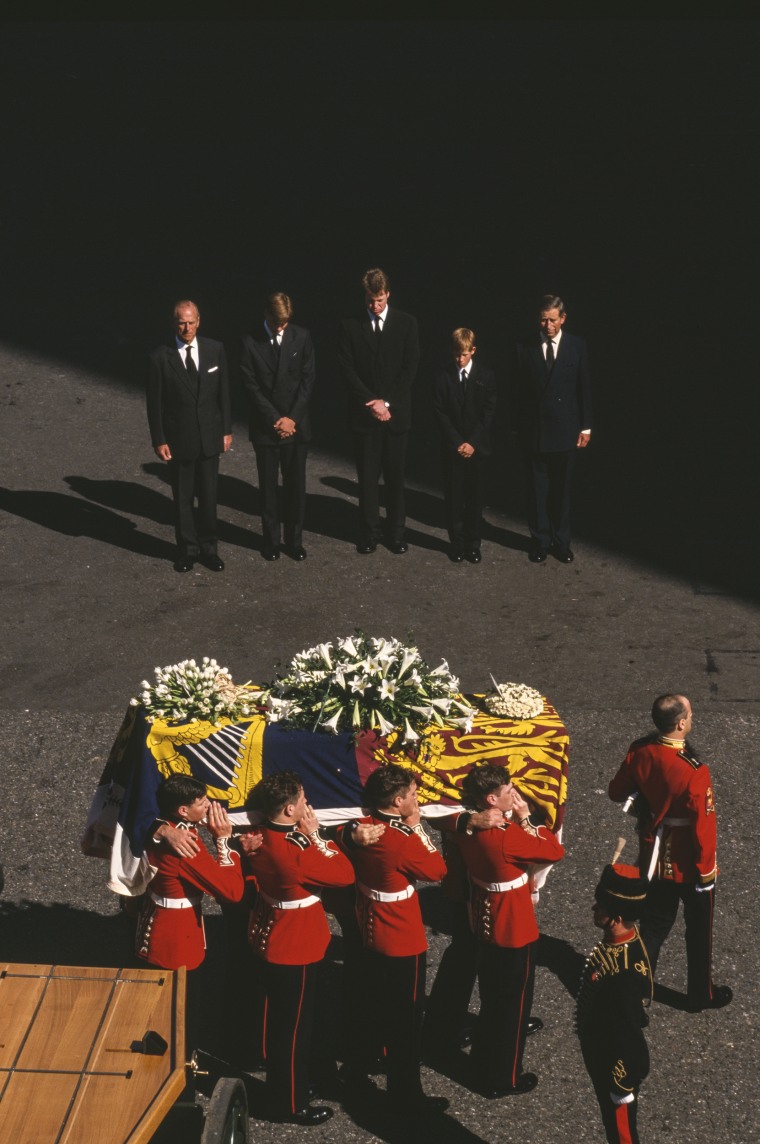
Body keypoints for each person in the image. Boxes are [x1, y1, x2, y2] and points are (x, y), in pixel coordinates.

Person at [241, 772, 354, 1126]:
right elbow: (344, 873)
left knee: (293, 1020)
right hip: (297, 943)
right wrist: (316, 835)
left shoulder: (257, 836)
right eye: (303, 799)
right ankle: (288, 1102)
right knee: (293, 1031)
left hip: (271, 929)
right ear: (290, 809)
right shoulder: (297, 850)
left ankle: (314, 1077)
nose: (307, 803)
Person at [608, 694, 732, 1011]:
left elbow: (616, 791)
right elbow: (703, 827)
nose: (693, 718)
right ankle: (699, 995)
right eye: (690, 714)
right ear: (680, 723)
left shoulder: (640, 751)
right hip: (689, 862)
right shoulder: (694, 770)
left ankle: (637, 990)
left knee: (654, 926)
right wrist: (706, 872)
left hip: (654, 854)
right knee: (699, 932)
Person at [339, 764, 449, 1116]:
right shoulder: (401, 839)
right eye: (413, 796)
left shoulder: (360, 829)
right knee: (406, 1018)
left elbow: (338, 832)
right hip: (401, 934)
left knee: (368, 1003)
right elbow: (437, 870)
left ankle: (359, 1069)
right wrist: (417, 828)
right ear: (398, 801)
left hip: (369, 922)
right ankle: (406, 1094)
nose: (417, 799)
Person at [453, 764, 564, 1097]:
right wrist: (526, 816)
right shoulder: (505, 835)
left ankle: (483, 1062)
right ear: (491, 799)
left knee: (492, 998)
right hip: (513, 924)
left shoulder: (467, 825)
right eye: (507, 792)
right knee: (513, 1006)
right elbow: (554, 850)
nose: (514, 794)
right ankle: (504, 1077)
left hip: (485, 914)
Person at [338, 267, 420, 554]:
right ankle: (369, 532)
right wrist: (372, 402)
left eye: (380, 300)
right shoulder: (350, 326)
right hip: (365, 416)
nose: (375, 306)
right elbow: (347, 368)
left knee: (396, 479)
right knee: (368, 479)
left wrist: (386, 403)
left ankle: (396, 534)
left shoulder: (407, 324)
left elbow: (410, 368)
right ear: (366, 296)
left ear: (388, 294)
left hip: (395, 415)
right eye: (371, 300)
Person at [147, 299, 232, 573]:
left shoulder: (214, 350)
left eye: (191, 321)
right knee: (182, 500)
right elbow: (155, 403)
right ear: (174, 323)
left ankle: (209, 550)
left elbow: (224, 395)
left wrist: (226, 430)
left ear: (199, 321)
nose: (187, 327)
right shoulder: (161, 357)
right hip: (179, 440)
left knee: (209, 498)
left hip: (209, 438)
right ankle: (187, 550)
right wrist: (159, 439)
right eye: (182, 322)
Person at [576, 862, 653, 1144]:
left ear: (616, 917)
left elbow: (626, 1030)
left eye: (601, 906)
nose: (594, 909)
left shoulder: (622, 971)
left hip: (614, 1064)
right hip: (603, 1050)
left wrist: (621, 1081)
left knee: (622, 1134)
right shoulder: (626, 942)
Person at [136, 775, 244, 971]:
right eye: (202, 803)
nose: (209, 805)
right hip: (176, 937)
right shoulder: (184, 844)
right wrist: (225, 840)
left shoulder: (165, 828)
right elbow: (232, 892)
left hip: (156, 919)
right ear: (183, 811)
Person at [513, 293, 592, 563]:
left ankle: (562, 542)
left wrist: (586, 426)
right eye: (543, 320)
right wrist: (517, 428)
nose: (547, 326)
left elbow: (584, 388)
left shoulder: (576, 346)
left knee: (561, 491)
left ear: (563, 319)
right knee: (537, 491)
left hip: (566, 431)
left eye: (552, 320)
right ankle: (540, 541)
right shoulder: (524, 347)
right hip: (535, 431)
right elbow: (519, 392)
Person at [239, 292, 316, 561]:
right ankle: (270, 541)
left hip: (296, 427)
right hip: (267, 427)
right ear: (267, 315)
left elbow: (308, 380)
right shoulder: (250, 341)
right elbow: (250, 386)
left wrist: (292, 418)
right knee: (268, 489)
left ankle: (294, 541)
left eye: (284, 324)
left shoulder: (301, 337)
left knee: (295, 488)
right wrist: (276, 419)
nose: (280, 328)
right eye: (275, 324)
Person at [433, 327, 497, 563]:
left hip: (477, 449)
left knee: (474, 498)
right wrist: (458, 442)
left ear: (473, 351)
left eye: (464, 354)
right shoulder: (443, 376)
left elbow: (488, 413)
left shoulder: (485, 376)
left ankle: (473, 544)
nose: (459, 359)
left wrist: (472, 443)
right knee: (453, 498)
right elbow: (440, 412)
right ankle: (456, 543)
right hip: (453, 448)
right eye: (456, 355)